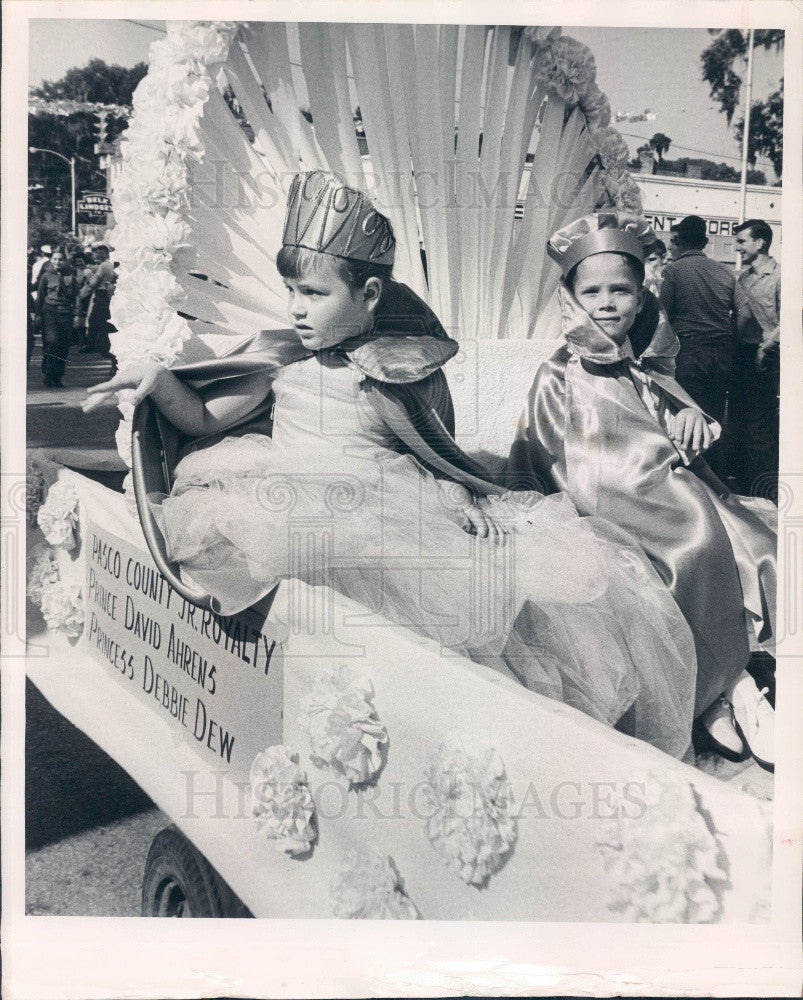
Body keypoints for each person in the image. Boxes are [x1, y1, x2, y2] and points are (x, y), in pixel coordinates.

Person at [84, 170, 701, 758]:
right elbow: (202, 420)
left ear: (369, 296)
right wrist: (160, 381)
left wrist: (459, 497)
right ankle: (312, 718)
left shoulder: (391, 376)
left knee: (451, 617)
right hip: (284, 497)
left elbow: (433, 456)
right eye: (292, 292)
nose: (297, 309)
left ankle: (423, 736)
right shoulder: (282, 361)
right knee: (301, 590)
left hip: (382, 509)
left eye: (315, 293)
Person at [506, 211, 777, 771]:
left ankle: (734, 684)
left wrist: (692, 426)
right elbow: (541, 455)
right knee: (690, 545)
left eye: (620, 291)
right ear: (572, 297)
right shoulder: (558, 376)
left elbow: (685, 426)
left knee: (742, 537)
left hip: (670, 489)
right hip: (605, 505)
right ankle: (718, 692)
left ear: (641, 294)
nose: (607, 304)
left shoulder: (650, 368)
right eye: (593, 291)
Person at [659, 216, 752, 477]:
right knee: (713, 416)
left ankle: (689, 478)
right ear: (706, 241)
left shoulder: (673, 272)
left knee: (687, 416)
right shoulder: (725, 272)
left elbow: (662, 314)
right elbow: (745, 312)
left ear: (678, 241)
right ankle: (714, 478)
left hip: (687, 353)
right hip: (721, 353)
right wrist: (731, 338)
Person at [727, 219, 780, 502]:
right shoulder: (743, 278)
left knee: (761, 427)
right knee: (737, 421)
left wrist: (768, 345)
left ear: (760, 243)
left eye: (742, 241)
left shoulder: (781, 275)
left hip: (767, 357)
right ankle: (742, 487)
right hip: (741, 356)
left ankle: (764, 491)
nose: (737, 248)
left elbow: (790, 319)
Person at [36, 248, 81, 388]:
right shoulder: (46, 276)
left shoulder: (71, 277)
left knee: (63, 346)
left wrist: (78, 315)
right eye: (55, 259)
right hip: (50, 312)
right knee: (52, 342)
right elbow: (40, 296)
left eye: (60, 259)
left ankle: (58, 376)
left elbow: (77, 297)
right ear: (51, 260)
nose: (57, 262)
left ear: (65, 261)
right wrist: (37, 314)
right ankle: (49, 374)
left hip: (66, 313)